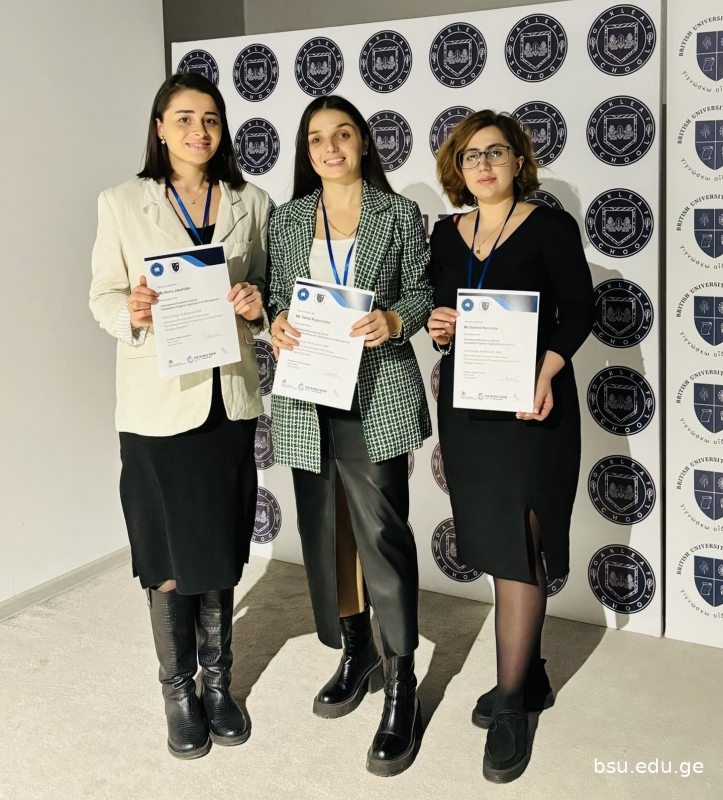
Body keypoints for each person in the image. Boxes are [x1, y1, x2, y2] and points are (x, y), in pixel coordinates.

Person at [89, 73, 270, 760]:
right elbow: (102, 293)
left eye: (211, 119)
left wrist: (255, 303)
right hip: (157, 404)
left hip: (228, 399)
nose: (200, 130)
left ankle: (218, 684)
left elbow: (264, 286)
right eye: (185, 118)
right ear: (160, 127)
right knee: (164, 549)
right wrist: (129, 312)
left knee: (219, 546)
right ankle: (178, 690)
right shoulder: (121, 202)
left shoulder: (251, 200)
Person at [266, 95, 433, 777]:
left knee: (383, 538)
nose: (330, 148)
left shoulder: (398, 214)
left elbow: (421, 292)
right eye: (316, 138)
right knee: (328, 533)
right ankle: (355, 647)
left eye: (342, 135)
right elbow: (274, 295)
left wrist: (395, 321)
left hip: (375, 391)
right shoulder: (286, 220)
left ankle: (401, 684)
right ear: (305, 152)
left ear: (363, 143)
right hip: (308, 392)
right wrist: (274, 321)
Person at [427, 110, 594, 783]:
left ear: (519, 162)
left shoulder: (550, 226)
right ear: (458, 168)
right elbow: (443, 314)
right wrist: (439, 326)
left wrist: (545, 372)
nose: (485, 164)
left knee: (522, 539)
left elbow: (579, 310)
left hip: (532, 404)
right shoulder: (445, 234)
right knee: (497, 537)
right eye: (471, 155)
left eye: (496, 152)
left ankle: (511, 706)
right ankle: (531, 676)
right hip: (470, 410)